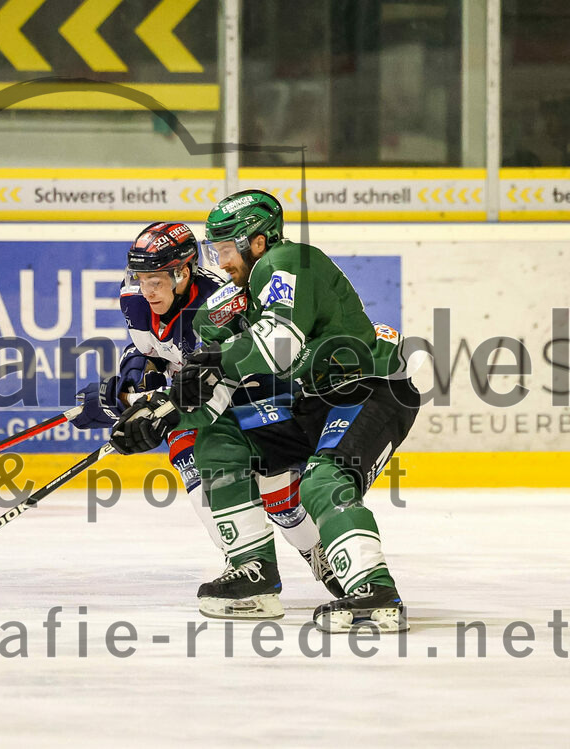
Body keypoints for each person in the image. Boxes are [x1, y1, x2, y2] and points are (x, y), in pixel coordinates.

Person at [109, 191, 420, 634]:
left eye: (227, 249)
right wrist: (163, 416)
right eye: (215, 251)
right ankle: (253, 574)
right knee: (219, 441)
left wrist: (212, 363)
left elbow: (278, 345)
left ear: (257, 242)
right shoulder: (235, 301)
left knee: (323, 479)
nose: (220, 261)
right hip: (310, 400)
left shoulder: (288, 260)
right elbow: (221, 392)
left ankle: (376, 592)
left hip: (369, 388)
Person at [72, 221, 343, 598]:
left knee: (279, 494)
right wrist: (132, 381)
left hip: (257, 390)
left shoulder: (219, 304)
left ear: (183, 273)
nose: (146, 290)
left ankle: (318, 550)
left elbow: (212, 376)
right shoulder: (133, 297)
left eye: (157, 280)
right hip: (203, 400)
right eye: (140, 277)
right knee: (187, 452)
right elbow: (152, 351)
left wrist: (145, 402)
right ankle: (243, 559)